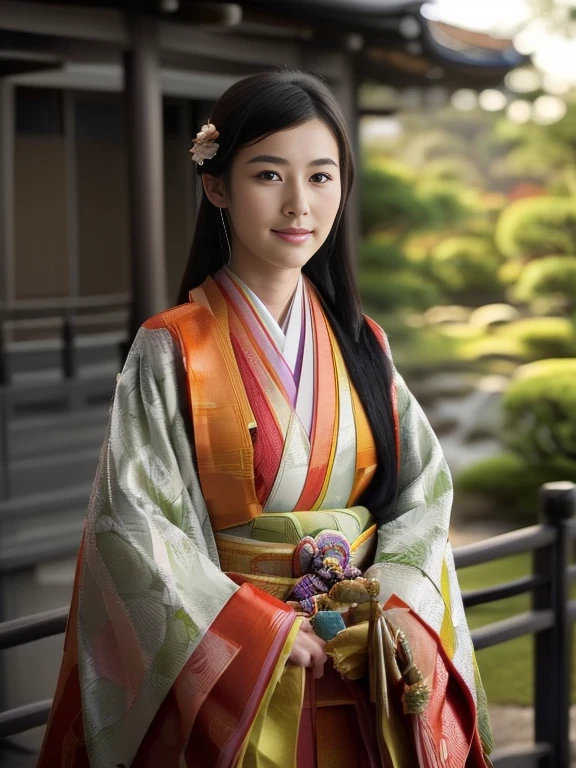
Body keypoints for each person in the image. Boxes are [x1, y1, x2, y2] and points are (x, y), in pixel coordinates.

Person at [38, 69, 494, 768]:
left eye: (321, 177)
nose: (298, 204)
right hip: (243, 669)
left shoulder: (361, 341)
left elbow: (424, 494)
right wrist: (265, 632)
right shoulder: (172, 347)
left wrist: (393, 602)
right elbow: (135, 524)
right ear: (216, 186)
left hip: (363, 657)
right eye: (268, 175)